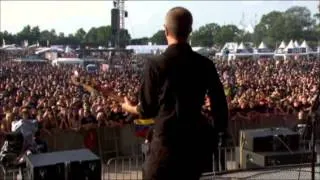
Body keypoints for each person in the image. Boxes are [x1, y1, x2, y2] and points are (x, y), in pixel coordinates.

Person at [121, 6, 229, 180]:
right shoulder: (204, 64)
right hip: (193, 150)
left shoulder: (155, 65)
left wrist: (129, 108)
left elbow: (147, 110)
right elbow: (220, 106)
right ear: (190, 31)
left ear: (165, 30)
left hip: (165, 150)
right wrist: (215, 135)